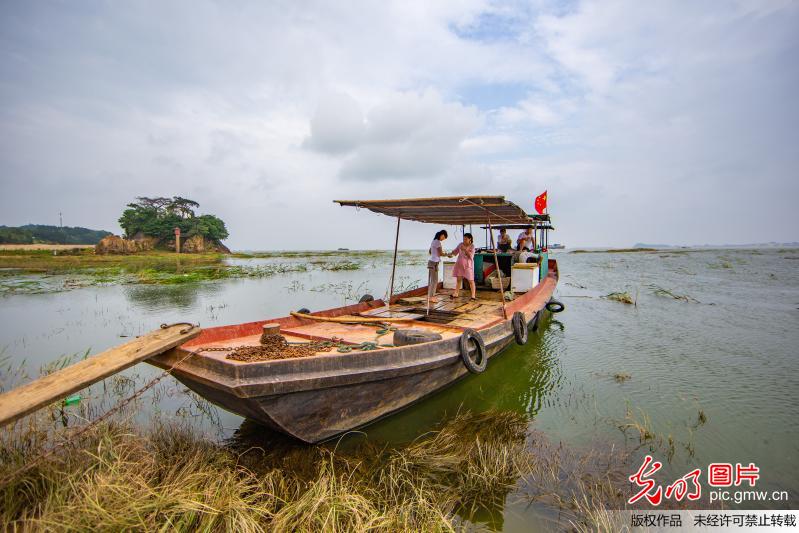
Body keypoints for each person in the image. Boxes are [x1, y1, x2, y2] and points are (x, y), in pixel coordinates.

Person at [451, 233, 476, 300]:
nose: (464, 240)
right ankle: (456, 293)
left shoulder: (472, 246)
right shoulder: (460, 244)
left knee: (471, 280)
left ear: (470, 239)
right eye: (463, 238)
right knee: (459, 279)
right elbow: (455, 252)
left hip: (468, 265)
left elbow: (471, 256)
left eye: (466, 239)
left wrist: (465, 249)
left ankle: (473, 295)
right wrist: (450, 253)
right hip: (460, 265)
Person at [427, 230, 448, 298]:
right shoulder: (438, 242)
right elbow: (441, 253)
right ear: (442, 235)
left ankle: (431, 296)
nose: (443, 239)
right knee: (434, 281)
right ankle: (431, 297)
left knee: (433, 280)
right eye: (444, 237)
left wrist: (435, 255)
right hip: (434, 263)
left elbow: (430, 251)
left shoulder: (433, 241)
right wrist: (448, 254)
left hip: (431, 262)